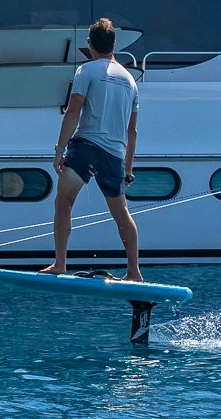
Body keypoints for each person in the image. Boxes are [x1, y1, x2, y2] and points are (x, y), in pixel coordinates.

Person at [41, 19, 143, 281]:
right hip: (114, 155)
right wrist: (128, 169)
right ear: (114, 45)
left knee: (63, 202)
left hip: (85, 147)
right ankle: (134, 271)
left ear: (89, 45)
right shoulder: (131, 81)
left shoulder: (86, 70)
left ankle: (60, 263)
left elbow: (74, 110)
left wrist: (59, 149)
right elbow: (132, 131)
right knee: (122, 215)